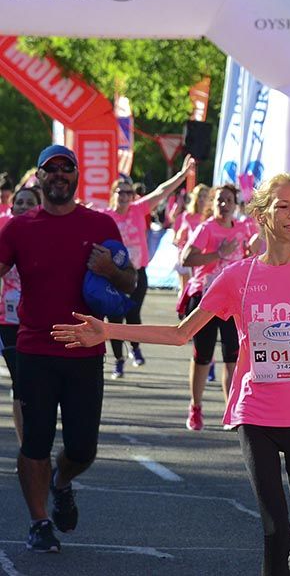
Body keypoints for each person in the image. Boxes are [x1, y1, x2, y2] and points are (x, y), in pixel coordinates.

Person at [55, 173, 290, 576]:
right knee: (276, 531)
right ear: (261, 215)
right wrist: (109, 329)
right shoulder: (238, 277)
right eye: (283, 206)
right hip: (256, 416)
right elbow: (181, 333)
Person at [0, 144, 136, 553]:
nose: (58, 175)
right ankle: (39, 522)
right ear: (37, 177)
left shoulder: (100, 223)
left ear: (76, 177)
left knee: (82, 449)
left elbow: (129, 283)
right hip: (35, 350)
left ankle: (62, 481)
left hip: (85, 350)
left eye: (66, 168)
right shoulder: (18, 228)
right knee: (34, 443)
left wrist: (111, 270)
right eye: (50, 169)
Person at [102, 156, 195, 378]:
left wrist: (182, 175)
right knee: (114, 318)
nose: (124, 197)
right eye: (120, 192)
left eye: (128, 193)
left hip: (137, 272)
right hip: (113, 274)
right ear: (113, 194)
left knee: (133, 313)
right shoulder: (104, 217)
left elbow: (162, 192)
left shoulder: (137, 209)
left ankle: (135, 348)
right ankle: (118, 361)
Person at [181, 183, 253, 430]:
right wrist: (218, 254)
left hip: (233, 302)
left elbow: (246, 258)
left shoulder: (242, 229)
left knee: (233, 358)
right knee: (203, 357)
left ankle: (231, 411)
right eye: (220, 200)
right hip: (205, 297)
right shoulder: (206, 228)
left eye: (229, 200)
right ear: (213, 203)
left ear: (236, 204)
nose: (224, 204)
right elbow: (186, 258)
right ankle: (196, 407)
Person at [0, 186, 43, 445]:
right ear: (12, 207)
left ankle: (37, 439)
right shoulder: (3, 233)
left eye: (30, 203)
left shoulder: (48, 235)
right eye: (20, 203)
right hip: (8, 319)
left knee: (39, 384)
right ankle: (26, 446)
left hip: (40, 318)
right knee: (21, 381)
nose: (24, 207)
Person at [174, 184, 212, 298]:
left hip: (206, 257)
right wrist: (180, 240)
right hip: (191, 255)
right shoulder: (188, 216)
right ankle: (184, 306)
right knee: (186, 286)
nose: (201, 199)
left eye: (204, 196)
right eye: (199, 196)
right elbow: (181, 235)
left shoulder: (211, 217)